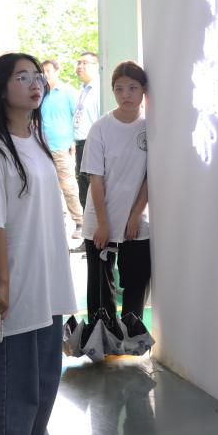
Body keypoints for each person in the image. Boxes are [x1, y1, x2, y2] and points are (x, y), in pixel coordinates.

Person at [0, 53, 77, 435]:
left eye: (37, 77)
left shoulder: (37, 140)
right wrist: (4, 282)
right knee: (15, 386)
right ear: (0, 89)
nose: (35, 84)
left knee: (45, 380)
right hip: (16, 283)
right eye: (22, 77)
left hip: (47, 280)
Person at [81, 61, 151, 321]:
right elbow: (96, 179)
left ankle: (132, 333)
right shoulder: (100, 128)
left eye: (133, 88)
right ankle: (103, 334)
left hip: (137, 219)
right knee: (101, 286)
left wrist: (135, 215)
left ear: (143, 90)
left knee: (137, 279)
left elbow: (150, 177)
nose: (126, 95)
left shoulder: (150, 127)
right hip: (101, 218)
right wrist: (103, 223)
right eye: (119, 89)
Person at [40, 58, 83, 245]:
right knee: (47, 187)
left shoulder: (67, 92)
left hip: (61, 146)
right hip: (41, 147)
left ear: (57, 71)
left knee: (68, 186)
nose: (45, 74)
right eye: (43, 71)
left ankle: (80, 222)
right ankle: (54, 222)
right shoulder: (40, 92)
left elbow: (78, 117)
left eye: (48, 71)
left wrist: (73, 140)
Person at [73, 51, 101, 209]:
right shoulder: (83, 90)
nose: (80, 66)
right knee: (83, 189)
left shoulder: (99, 89)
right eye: (78, 63)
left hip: (92, 144)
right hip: (80, 144)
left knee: (93, 189)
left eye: (84, 63)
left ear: (96, 66)